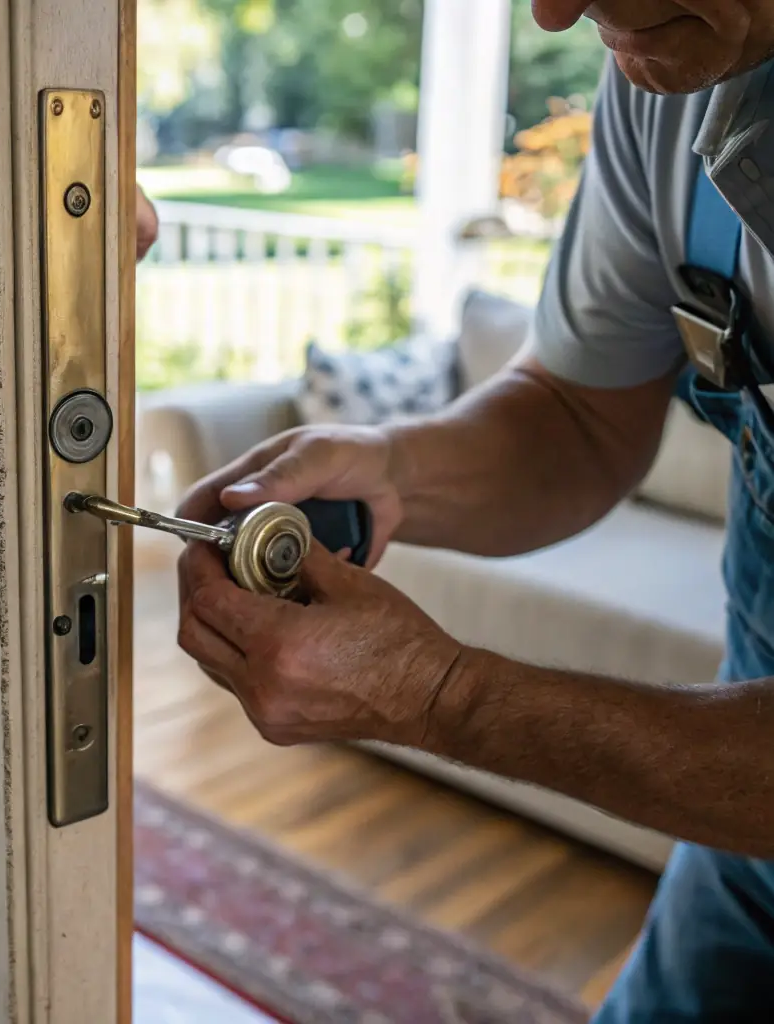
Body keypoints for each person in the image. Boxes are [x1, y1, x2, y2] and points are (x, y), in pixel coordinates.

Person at [170, 2, 774, 1018]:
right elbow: (579, 417)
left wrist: (440, 695)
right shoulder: (672, 77)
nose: (555, 10)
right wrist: (390, 464)